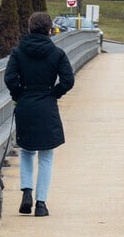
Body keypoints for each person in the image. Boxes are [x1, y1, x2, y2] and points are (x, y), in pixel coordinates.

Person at [4, 11, 75, 217]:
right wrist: (54, 93)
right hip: (47, 105)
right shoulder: (57, 54)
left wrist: (19, 94)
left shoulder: (18, 52)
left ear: (29, 28)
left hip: (26, 104)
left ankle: (26, 191)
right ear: (49, 30)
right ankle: (41, 203)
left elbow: (9, 78)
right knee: (46, 155)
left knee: (26, 150)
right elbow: (68, 80)